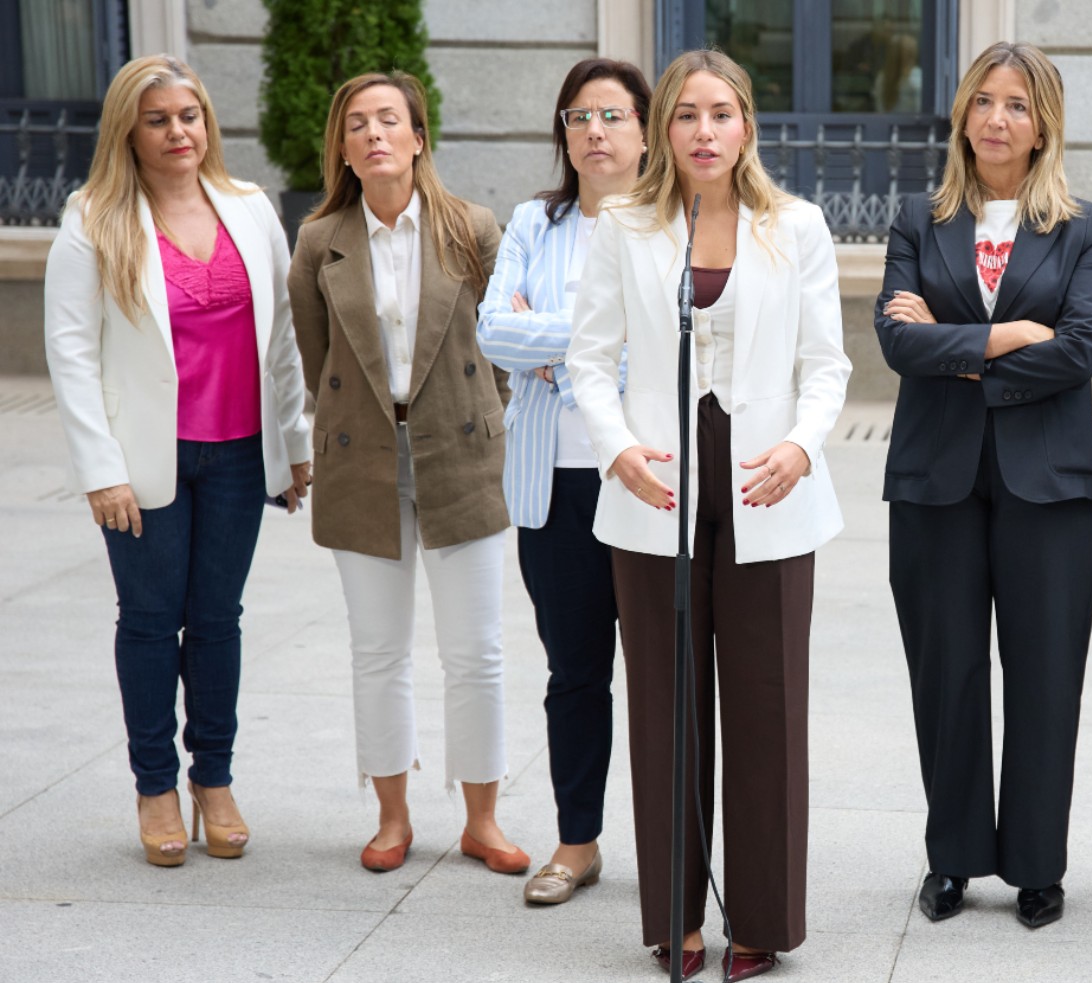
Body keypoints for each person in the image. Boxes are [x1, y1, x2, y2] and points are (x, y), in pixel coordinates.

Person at [566, 49, 850, 983]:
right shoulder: (626, 226)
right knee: (664, 712)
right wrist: (616, 449)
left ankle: (762, 914)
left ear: (747, 126)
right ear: (663, 130)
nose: (702, 132)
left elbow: (827, 367)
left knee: (767, 709)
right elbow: (587, 358)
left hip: (771, 491)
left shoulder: (796, 226)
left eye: (720, 114)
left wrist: (804, 446)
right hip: (657, 496)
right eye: (686, 115)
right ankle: (674, 916)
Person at [43, 54, 312, 867]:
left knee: (220, 622)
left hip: (237, 455)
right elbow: (70, 351)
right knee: (153, 622)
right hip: (143, 465)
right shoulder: (93, 218)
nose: (177, 132)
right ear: (130, 127)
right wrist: (101, 469)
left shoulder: (251, 207)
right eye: (158, 119)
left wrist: (293, 446)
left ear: (208, 122)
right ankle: (156, 785)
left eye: (188, 116)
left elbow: (284, 340)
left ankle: (216, 780)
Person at [875, 41, 1092, 930]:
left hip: (1045, 481)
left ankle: (1038, 865)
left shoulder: (1079, 225)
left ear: (1042, 121)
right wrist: (1016, 336)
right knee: (948, 672)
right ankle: (954, 858)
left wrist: (966, 345)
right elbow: (898, 342)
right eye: (984, 101)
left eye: (1017, 104)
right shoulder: (916, 217)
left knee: (1047, 673)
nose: (997, 119)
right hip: (934, 476)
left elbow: (1081, 348)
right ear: (962, 115)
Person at [287, 71, 523, 876]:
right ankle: (392, 817)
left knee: (477, 651)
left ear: (419, 138)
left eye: (389, 120)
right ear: (344, 150)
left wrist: (488, 419)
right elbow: (317, 359)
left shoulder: (472, 229)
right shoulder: (321, 241)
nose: (374, 134)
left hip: (460, 453)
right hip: (362, 460)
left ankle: (482, 820)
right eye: (357, 124)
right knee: (377, 650)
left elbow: (502, 351)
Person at [476, 57, 652, 907]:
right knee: (575, 673)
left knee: (664, 676)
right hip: (555, 482)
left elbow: (657, 349)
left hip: (646, 481)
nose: (595, 131)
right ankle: (577, 841)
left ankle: (672, 845)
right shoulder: (532, 223)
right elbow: (491, 334)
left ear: (645, 131)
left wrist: (562, 349)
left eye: (613, 116)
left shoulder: (675, 224)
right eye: (579, 116)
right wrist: (593, 344)